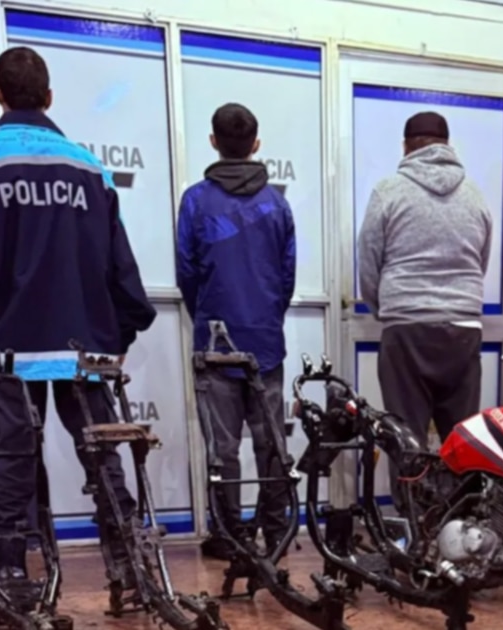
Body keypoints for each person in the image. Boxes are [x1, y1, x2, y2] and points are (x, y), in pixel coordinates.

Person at [0, 47, 156, 585]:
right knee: (102, 456)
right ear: (49, 97)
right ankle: (130, 567)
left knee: (14, 459)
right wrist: (121, 330)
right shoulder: (88, 166)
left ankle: (10, 571)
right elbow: (119, 260)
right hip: (85, 348)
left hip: (11, 345)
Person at [176, 103, 296, 559]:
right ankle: (277, 530)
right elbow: (286, 276)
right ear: (256, 144)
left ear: (213, 142)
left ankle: (229, 536)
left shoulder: (195, 201)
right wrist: (266, 317)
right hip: (266, 341)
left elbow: (187, 273)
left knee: (222, 448)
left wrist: (207, 316)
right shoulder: (277, 204)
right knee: (272, 443)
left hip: (214, 342)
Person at [357, 111, 491, 480]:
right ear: (448, 146)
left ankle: (411, 515)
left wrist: (385, 307)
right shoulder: (475, 195)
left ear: (406, 146)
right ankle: (464, 513)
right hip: (462, 329)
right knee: (462, 441)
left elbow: (369, 261)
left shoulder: (388, 191)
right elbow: (481, 260)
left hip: (406, 328)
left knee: (407, 439)